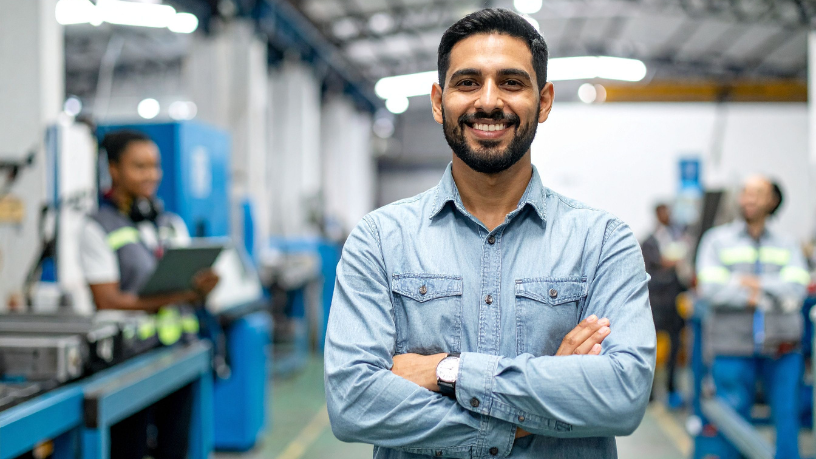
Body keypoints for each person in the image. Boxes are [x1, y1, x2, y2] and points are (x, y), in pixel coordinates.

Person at [324, 9, 655, 458]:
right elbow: (353, 403)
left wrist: (449, 371)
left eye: (512, 83)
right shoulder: (380, 240)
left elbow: (622, 395)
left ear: (544, 101)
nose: (488, 101)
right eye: (467, 82)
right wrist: (528, 412)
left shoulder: (602, 242)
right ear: (439, 101)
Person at [79, 130, 219, 459]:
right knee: (130, 449)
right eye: (139, 166)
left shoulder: (171, 225)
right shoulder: (97, 228)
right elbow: (107, 300)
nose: (151, 175)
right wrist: (178, 296)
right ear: (113, 170)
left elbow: (191, 295)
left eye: (154, 166)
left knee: (176, 449)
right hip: (129, 366)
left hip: (179, 359)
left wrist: (201, 290)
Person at [696, 176, 809, 459]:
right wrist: (767, 292)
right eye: (745, 192)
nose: (749, 198)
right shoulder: (716, 241)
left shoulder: (787, 244)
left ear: (772, 200)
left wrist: (750, 283)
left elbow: (797, 287)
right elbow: (710, 289)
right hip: (732, 347)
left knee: (787, 418)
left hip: (781, 347)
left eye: (757, 193)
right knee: (731, 423)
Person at [641, 203, 691, 407]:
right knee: (651, 347)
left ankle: (671, 388)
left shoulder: (678, 239)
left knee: (675, 346)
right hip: (655, 303)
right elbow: (650, 271)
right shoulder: (649, 242)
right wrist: (668, 264)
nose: (667, 215)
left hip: (674, 304)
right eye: (663, 212)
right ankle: (649, 393)